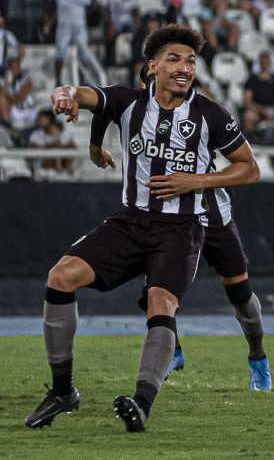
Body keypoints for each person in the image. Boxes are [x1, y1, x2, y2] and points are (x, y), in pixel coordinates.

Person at [24, 24, 260, 431]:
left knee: (162, 304)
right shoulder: (127, 101)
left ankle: (142, 403)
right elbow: (84, 95)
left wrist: (196, 180)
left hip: (181, 229)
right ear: (152, 66)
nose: (184, 67)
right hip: (130, 222)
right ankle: (63, 391)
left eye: (190, 60)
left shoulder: (210, 114)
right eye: (174, 58)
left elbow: (250, 169)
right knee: (60, 277)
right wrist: (62, 94)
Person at [89, 68, 271, 390]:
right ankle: (173, 350)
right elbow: (105, 107)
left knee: (240, 295)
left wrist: (194, 181)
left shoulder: (201, 113)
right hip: (162, 220)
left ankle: (258, 357)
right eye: (144, 84)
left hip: (211, 215)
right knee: (155, 291)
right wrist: (95, 144)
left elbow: (249, 169)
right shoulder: (137, 109)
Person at [53, 0, 102, 85]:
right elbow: (62, 2)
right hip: (64, 24)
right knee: (60, 52)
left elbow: (88, 0)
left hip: (80, 24)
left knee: (83, 53)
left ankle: (82, 81)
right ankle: (58, 81)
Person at [99, 0, 140, 64]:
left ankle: (136, 60)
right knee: (111, 31)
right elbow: (103, 7)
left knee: (141, 31)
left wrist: (137, 21)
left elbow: (135, 7)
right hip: (115, 20)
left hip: (128, 19)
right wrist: (108, 22)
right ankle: (109, 59)